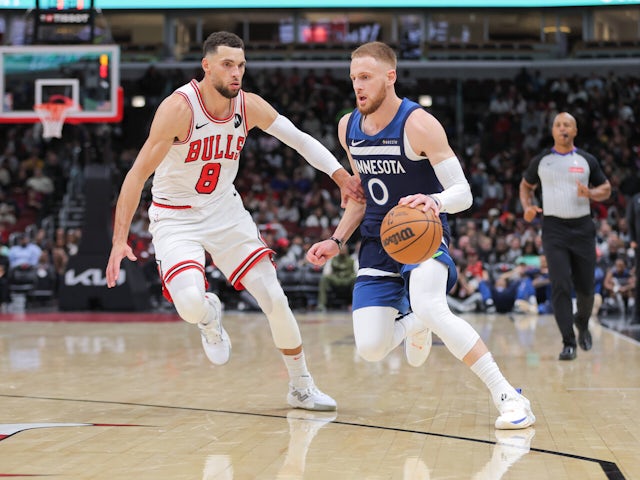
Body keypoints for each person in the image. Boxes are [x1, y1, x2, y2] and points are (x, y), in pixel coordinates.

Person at [105, 31, 364, 412]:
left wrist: (340, 175)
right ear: (206, 66)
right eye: (228, 64)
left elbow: (299, 139)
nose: (236, 73)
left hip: (224, 210)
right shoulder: (178, 109)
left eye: (241, 65)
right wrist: (119, 239)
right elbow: (136, 174)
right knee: (190, 304)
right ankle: (210, 317)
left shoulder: (249, 106)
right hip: (175, 216)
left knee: (275, 298)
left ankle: (301, 386)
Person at [306, 41, 534, 430]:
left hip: (422, 235)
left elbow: (463, 194)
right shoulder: (348, 127)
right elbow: (360, 197)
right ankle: (415, 320)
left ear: (389, 77)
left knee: (432, 305)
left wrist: (433, 200)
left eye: (365, 77)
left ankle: (509, 397)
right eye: (353, 79)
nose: (357, 86)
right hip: (377, 243)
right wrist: (337, 239)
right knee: (372, 348)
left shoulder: (419, 124)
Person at [519, 111, 611, 360]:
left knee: (586, 287)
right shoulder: (542, 161)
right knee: (560, 284)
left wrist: (591, 194)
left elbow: (606, 188)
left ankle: (582, 322)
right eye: (558, 125)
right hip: (553, 229)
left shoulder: (586, 160)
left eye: (567, 125)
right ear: (552, 131)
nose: (563, 128)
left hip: (582, 228)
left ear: (575, 130)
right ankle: (568, 341)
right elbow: (525, 186)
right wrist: (527, 207)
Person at [625, 191, 640, 324]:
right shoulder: (635, 199)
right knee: (638, 280)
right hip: (639, 246)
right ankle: (636, 315)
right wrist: (632, 240)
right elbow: (629, 221)